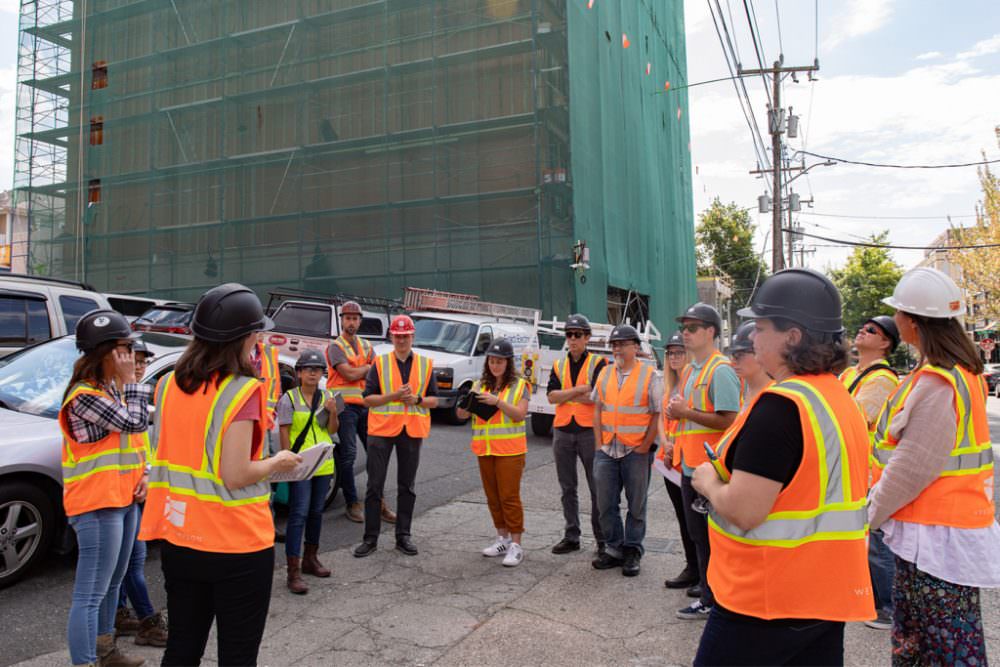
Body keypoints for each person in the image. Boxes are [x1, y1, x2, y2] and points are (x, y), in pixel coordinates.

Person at [691, 268, 875, 666]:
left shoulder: (781, 407)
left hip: (766, 599)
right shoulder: (839, 398)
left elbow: (745, 509)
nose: (752, 338)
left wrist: (706, 481)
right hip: (827, 594)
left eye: (760, 327)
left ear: (792, 336)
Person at [139, 283, 301, 666]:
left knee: (181, 648)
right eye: (255, 334)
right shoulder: (241, 391)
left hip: (180, 538)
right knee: (237, 655)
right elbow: (235, 474)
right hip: (236, 544)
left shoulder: (166, 386)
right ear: (243, 338)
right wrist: (279, 464)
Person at [869, 267, 999, 665]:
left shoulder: (936, 382)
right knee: (939, 641)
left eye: (900, 314)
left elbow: (912, 468)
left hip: (934, 537)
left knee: (938, 646)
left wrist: (869, 515)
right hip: (947, 533)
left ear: (911, 321)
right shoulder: (962, 373)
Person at [59, 309, 148, 667]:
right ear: (105, 352)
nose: (131, 357)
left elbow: (133, 443)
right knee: (90, 594)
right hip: (96, 505)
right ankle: (84, 662)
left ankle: (106, 652)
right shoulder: (83, 396)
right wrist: (131, 382)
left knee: (112, 585)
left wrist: (143, 476)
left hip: (123, 499)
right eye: (124, 349)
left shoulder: (107, 389)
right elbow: (136, 421)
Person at [666, 302, 739, 620]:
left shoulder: (720, 370)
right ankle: (710, 594)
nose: (686, 333)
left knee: (710, 538)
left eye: (692, 327)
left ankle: (714, 599)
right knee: (698, 535)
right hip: (689, 466)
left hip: (709, 472)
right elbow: (687, 417)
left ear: (711, 331)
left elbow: (729, 420)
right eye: (684, 327)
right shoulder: (692, 370)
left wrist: (684, 412)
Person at [354, 315, 439, 558]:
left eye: (406, 336)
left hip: (411, 430)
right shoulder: (379, 364)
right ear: (391, 337)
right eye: (398, 336)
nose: (401, 340)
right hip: (381, 430)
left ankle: (403, 536)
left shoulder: (425, 364)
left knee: (407, 486)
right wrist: (392, 396)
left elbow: (435, 400)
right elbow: (367, 399)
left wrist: (418, 400)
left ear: (412, 337)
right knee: (374, 486)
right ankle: (370, 539)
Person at [839, 313, 900, 631]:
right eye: (862, 327)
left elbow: (857, 415)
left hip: (873, 470)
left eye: (871, 330)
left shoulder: (883, 379)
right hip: (852, 467)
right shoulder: (850, 372)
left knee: (877, 541)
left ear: (885, 342)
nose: (862, 331)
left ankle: (888, 605)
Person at [590, 324, 661, 577]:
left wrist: (644, 446)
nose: (618, 348)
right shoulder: (605, 373)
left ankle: (632, 549)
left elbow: (656, 413)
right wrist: (598, 442)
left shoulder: (649, 374)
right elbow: (597, 408)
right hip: (607, 449)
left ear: (635, 346)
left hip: (635, 451)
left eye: (622, 344)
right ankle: (614, 548)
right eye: (615, 344)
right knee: (605, 503)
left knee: (636, 505)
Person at [458, 338, 531, 567]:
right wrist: (465, 404)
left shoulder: (520, 385)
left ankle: (516, 545)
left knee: (509, 497)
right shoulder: (479, 385)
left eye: (500, 361)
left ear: (508, 363)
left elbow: (520, 414)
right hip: (485, 449)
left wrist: (497, 401)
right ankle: (502, 539)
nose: (495, 365)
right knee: (493, 497)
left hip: (510, 450)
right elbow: (461, 416)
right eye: (492, 361)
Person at [114, 340, 168, 648]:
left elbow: (141, 451)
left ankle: (120, 614)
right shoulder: (120, 399)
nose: (138, 366)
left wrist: (146, 476)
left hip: (134, 493)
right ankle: (148, 621)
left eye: (143, 362)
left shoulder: (130, 398)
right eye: (134, 360)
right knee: (133, 563)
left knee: (130, 563)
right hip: (115, 497)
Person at [326, 301, 395, 524]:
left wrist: (363, 371)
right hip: (344, 407)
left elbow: (378, 374)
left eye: (355, 318)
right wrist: (365, 369)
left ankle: (379, 502)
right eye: (348, 318)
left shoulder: (366, 346)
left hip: (366, 406)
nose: (351, 322)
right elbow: (349, 374)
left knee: (376, 454)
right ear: (342, 320)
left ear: (360, 321)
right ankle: (352, 503)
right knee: (348, 456)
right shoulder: (335, 347)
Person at [278, 349, 340, 595]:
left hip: (324, 464)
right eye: (308, 369)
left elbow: (333, 428)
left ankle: (311, 559)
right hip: (301, 464)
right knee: (298, 514)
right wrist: (286, 459)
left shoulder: (327, 396)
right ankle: (293, 571)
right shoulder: (289, 399)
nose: (313, 373)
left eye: (317, 370)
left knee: (316, 512)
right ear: (299, 373)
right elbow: (284, 431)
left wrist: (333, 410)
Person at [546, 314, 608, 555]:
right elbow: (551, 397)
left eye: (577, 335)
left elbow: (596, 395)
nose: (572, 339)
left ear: (587, 337)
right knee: (567, 487)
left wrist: (567, 393)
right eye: (569, 334)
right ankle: (572, 535)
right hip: (562, 430)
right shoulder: (558, 365)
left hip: (588, 432)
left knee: (597, 488)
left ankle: (602, 539)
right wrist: (580, 389)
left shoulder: (599, 363)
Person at [656, 332, 699, 594]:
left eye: (679, 352)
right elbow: (661, 419)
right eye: (671, 353)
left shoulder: (694, 383)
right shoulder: (668, 384)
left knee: (695, 521)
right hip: (670, 461)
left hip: (689, 461)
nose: (674, 357)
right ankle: (691, 567)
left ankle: (702, 572)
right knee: (683, 520)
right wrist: (665, 443)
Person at [728, 321, 771, 405]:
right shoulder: (751, 391)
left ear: (759, 353)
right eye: (732, 355)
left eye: (740, 355)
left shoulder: (774, 397)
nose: (733, 361)